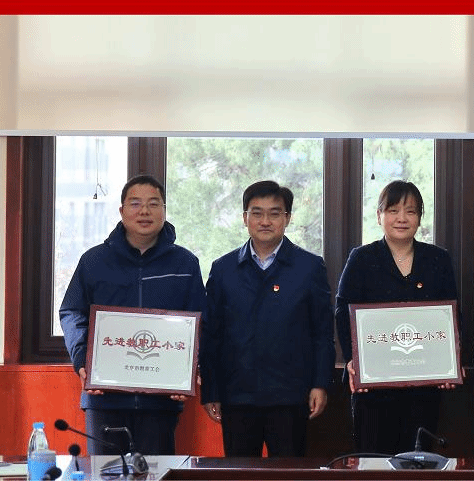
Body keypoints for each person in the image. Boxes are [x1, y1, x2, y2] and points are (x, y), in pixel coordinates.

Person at [59, 174, 206, 456]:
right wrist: (82, 359)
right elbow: (72, 312)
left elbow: (201, 322)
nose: (144, 211)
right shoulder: (94, 261)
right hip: (104, 398)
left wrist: (189, 370)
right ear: (122, 210)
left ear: (164, 210)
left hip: (161, 400)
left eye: (154, 203)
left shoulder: (185, 263)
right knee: (105, 473)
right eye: (135, 203)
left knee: (155, 473)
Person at [200, 180, 335, 457]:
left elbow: (322, 332)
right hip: (237, 396)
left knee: (288, 474)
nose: (265, 221)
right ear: (244, 218)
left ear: (287, 218)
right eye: (257, 213)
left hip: (290, 396)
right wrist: (211, 390)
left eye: (274, 213)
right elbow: (211, 334)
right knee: (240, 474)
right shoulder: (223, 269)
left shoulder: (309, 267)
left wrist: (320, 383)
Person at [335, 180, 459, 454]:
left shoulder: (438, 259)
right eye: (393, 210)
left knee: (418, 461)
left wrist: (450, 361)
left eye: (411, 211)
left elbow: (451, 313)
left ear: (419, 218)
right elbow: (343, 311)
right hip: (373, 389)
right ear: (379, 215)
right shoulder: (362, 258)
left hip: (424, 386)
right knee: (373, 460)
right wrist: (355, 361)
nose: (402, 218)